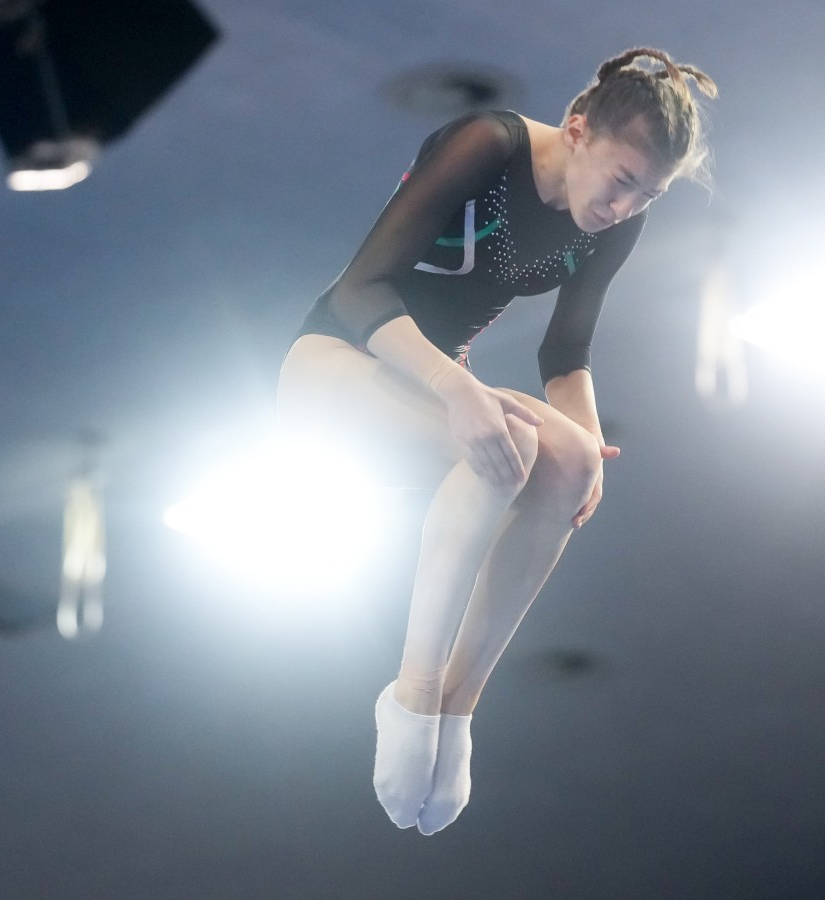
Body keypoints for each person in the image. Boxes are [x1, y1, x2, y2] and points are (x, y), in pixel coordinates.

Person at [276, 48, 717, 835]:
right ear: (577, 130)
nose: (624, 207)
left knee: (568, 462)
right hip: (336, 363)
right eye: (622, 180)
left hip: (435, 389)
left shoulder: (618, 221)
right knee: (503, 446)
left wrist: (586, 449)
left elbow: (566, 352)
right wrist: (456, 390)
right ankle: (412, 694)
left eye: (649, 194)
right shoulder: (488, 145)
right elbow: (359, 291)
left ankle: (457, 708)